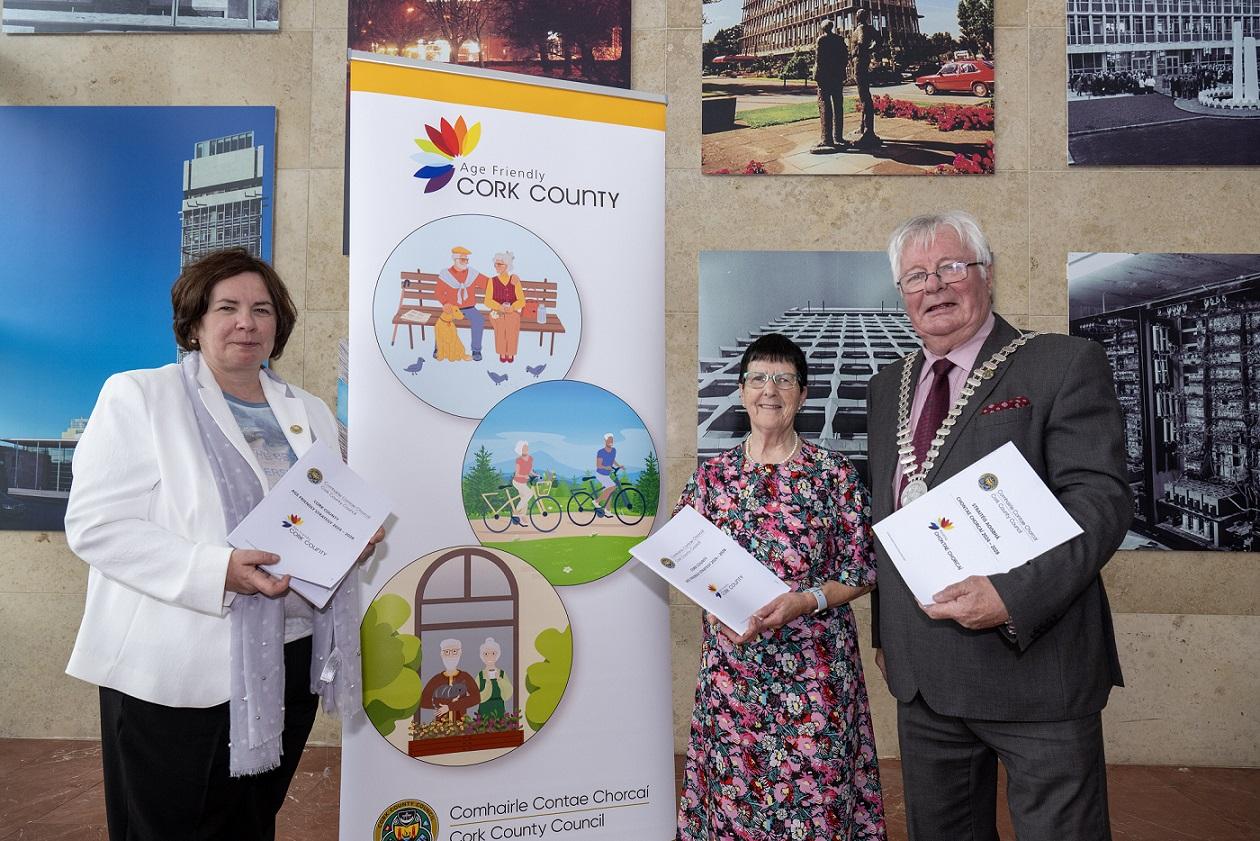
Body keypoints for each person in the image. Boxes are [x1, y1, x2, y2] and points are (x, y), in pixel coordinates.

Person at [64, 248, 384, 841]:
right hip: (177, 663)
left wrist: (349, 540)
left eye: (262, 310)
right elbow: (96, 524)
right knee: (167, 827)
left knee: (249, 820)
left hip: (288, 652)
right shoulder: (141, 395)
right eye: (228, 307)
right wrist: (218, 570)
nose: (247, 322)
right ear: (193, 322)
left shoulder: (308, 411)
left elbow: (316, 514)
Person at [867, 211, 1131, 841]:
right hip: (924, 681)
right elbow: (889, 516)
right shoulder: (885, 388)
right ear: (902, 293)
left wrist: (1010, 595)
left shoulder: (1063, 363)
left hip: (1039, 669)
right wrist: (886, 632)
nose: (934, 286)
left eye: (952, 268)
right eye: (916, 276)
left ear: (987, 275)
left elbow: (1100, 502)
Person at [677, 333, 885, 841]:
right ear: (742, 390)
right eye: (759, 378)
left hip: (814, 676)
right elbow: (682, 561)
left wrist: (806, 600)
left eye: (784, 379)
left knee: (819, 800)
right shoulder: (712, 479)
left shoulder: (832, 475)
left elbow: (863, 568)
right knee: (733, 800)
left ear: (804, 393)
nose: (770, 390)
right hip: (735, 675)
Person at [434, 246, 488, 362]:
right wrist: (445, 303)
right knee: (442, 322)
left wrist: (509, 277)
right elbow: (438, 292)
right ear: (455, 259)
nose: (465, 262)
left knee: (479, 320)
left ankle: (476, 350)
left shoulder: (472, 274)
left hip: (469, 308)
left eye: (466, 260)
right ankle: (439, 347)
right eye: (462, 260)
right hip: (451, 308)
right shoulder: (445, 274)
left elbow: (489, 284)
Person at [419, 638, 480, 723]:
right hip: (440, 726)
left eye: (454, 651)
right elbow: (423, 701)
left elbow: (476, 698)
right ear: (441, 654)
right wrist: (440, 705)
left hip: (462, 724)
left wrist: (450, 707)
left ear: (460, 653)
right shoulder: (436, 679)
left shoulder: (465, 677)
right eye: (447, 652)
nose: (450, 655)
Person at [812, 19, 849, 152]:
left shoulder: (821, 40)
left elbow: (819, 60)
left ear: (823, 28)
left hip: (825, 78)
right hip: (837, 77)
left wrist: (816, 74)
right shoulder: (839, 39)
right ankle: (838, 137)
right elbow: (845, 57)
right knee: (838, 105)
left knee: (824, 104)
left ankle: (827, 139)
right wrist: (840, 70)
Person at [485, 250, 526, 363]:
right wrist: (499, 307)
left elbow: (522, 301)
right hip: (496, 311)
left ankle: (510, 352)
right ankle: (502, 352)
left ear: (507, 266)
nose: (496, 266)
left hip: (512, 311)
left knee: (512, 322)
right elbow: (487, 301)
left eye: (499, 264)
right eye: (495, 264)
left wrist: (512, 307)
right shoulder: (492, 281)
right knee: (500, 323)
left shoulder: (514, 280)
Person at [849, 9, 881, 148]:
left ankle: (869, 132)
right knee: (863, 95)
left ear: (858, 17)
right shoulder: (868, 28)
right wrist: (871, 49)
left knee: (864, 96)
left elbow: (862, 42)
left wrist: (863, 51)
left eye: (857, 16)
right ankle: (863, 127)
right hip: (861, 60)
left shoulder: (861, 28)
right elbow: (879, 39)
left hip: (860, 61)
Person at [475, 637, 513, 720]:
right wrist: (488, 683)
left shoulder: (502, 674)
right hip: (484, 712)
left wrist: (499, 680)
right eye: (486, 654)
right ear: (482, 656)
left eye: (493, 653)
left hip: (499, 711)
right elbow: (475, 696)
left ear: (497, 655)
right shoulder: (480, 675)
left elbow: (508, 693)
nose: (489, 657)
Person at [593, 433, 622, 517]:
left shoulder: (614, 450)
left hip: (606, 475)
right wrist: (606, 468)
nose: (611, 441)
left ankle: (607, 510)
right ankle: (596, 501)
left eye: (612, 440)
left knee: (609, 491)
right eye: (609, 440)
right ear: (605, 441)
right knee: (612, 487)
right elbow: (598, 465)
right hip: (600, 474)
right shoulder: (601, 452)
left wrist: (619, 465)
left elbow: (612, 460)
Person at [510, 440, 534, 527]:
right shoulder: (519, 460)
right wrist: (524, 476)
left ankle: (522, 518)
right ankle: (516, 513)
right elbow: (517, 474)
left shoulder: (530, 458)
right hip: (517, 482)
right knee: (529, 494)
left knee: (525, 500)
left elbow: (530, 471)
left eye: (527, 447)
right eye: (524, 447)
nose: (526, 449)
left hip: (523, 483)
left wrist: (536, 475)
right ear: (520, 449)